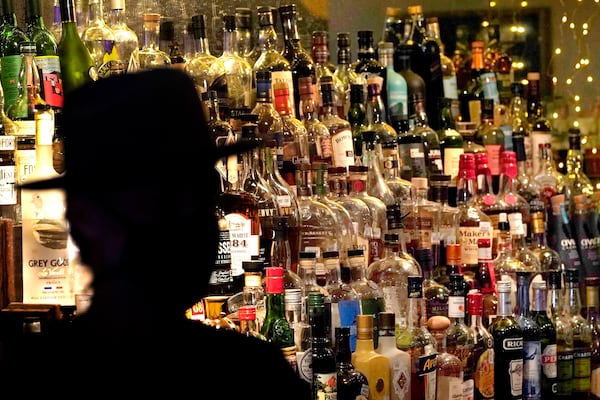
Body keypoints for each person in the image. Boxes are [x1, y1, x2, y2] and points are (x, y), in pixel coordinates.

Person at [0, 68, 312, 398]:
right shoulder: (249, 375)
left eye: (202, 197)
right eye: (166, 201)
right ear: (85, 220)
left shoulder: (255, 375)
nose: (196, 223)